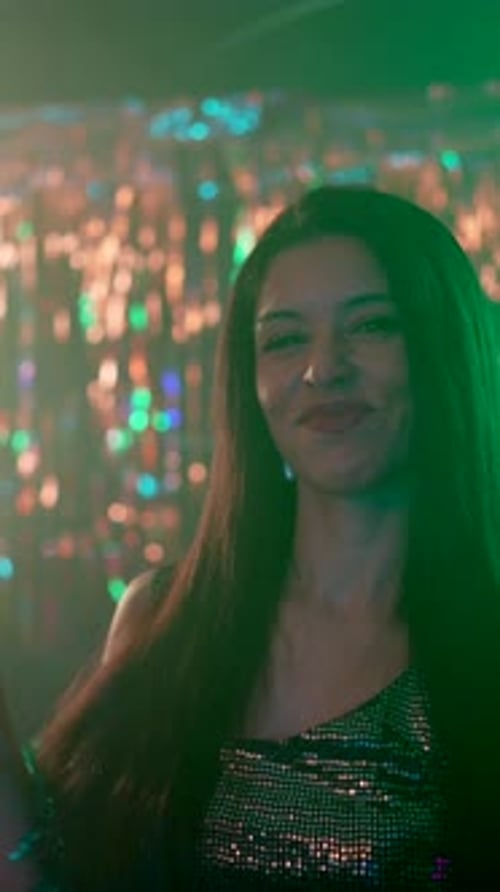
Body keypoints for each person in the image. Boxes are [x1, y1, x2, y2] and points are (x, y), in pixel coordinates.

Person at [2, 184, 500, 890]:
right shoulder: (164, 617)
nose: (324, 370)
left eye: (371, 326)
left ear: (443, 346)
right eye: (286, 339)